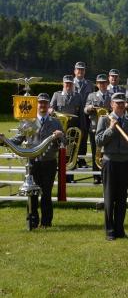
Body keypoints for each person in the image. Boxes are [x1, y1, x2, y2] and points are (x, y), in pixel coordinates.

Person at [0, 93, 63, 228]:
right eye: (40, 103)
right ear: (36, 105)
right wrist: (4, 141)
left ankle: (46, 222)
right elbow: (18, 139)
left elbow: (62, 142)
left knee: (46, 193)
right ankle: (33, 221)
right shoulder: (29, 121)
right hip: (32, 162)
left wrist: (59, 136)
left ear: (49, 105)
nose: (42, 105)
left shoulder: (56, 122)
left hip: (49, 162)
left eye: (45, 103)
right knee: (32, 193)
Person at [95, 92, 128, 240]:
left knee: (121, 198)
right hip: (110, 162)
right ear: (111, 104)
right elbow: (99, 141)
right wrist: (111, 129)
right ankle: (110, 231)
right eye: (116, 103)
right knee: (110, 197)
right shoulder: (105, 120)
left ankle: (120, 230)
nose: (119, 105)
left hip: (124, 163)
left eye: (121, 102)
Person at [84, 74, 112, 184]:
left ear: (107, 83)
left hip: (108, 128)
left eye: (104, 82)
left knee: (107, 152)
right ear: (97, 84)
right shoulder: (92, 96)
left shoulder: (112, 95)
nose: (102, 84)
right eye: (100, 83)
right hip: (95, 127)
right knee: (96, 152)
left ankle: (106, 174)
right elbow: (85, 110)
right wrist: (89, 108)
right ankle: (96, 176)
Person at [72, 62, 92, 168]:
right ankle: (72, 160)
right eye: (78, 69)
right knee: (73, 138)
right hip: (73, 115)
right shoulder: (70, 82)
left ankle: (82, 160)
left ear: (85, 71)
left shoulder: (89, 84)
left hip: (85, 115)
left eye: (82, 69)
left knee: (83, 137)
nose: (80, 71)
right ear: (75, 71)